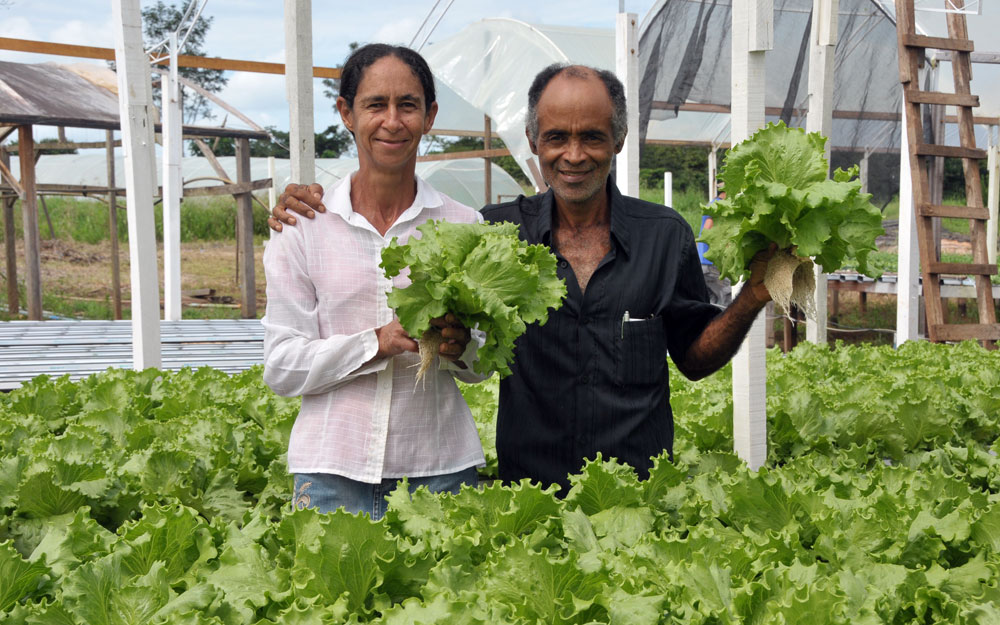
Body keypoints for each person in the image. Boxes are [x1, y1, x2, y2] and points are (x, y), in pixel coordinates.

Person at [270, 64, 772, 494]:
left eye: (592, 137)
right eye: (556, 137)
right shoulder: (493, 233)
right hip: (527, 496)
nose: (574, 155)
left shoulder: (664, 236)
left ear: (617, 139)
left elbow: (694, 360)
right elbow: (405, 215)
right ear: (534, 141)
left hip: (637, 494)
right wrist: (305, 199)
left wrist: (753, 295)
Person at [261, 43, 486, 520]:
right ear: (346, 113)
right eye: (374, 105)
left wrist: (461, 346)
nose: (392, 120)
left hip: (441, 469)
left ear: (429, 117)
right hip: (330, 473)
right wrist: (377, 342)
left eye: (408, 105)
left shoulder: (465, 224)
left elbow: (483, 363)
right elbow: (282, 367)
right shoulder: (303, 227)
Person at [698, 185, 733, 307]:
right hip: (712, 264)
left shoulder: (713, 203)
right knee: (725, 299)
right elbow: (708, 228)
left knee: (712, 302)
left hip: (703, 262)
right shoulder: (719, 205)